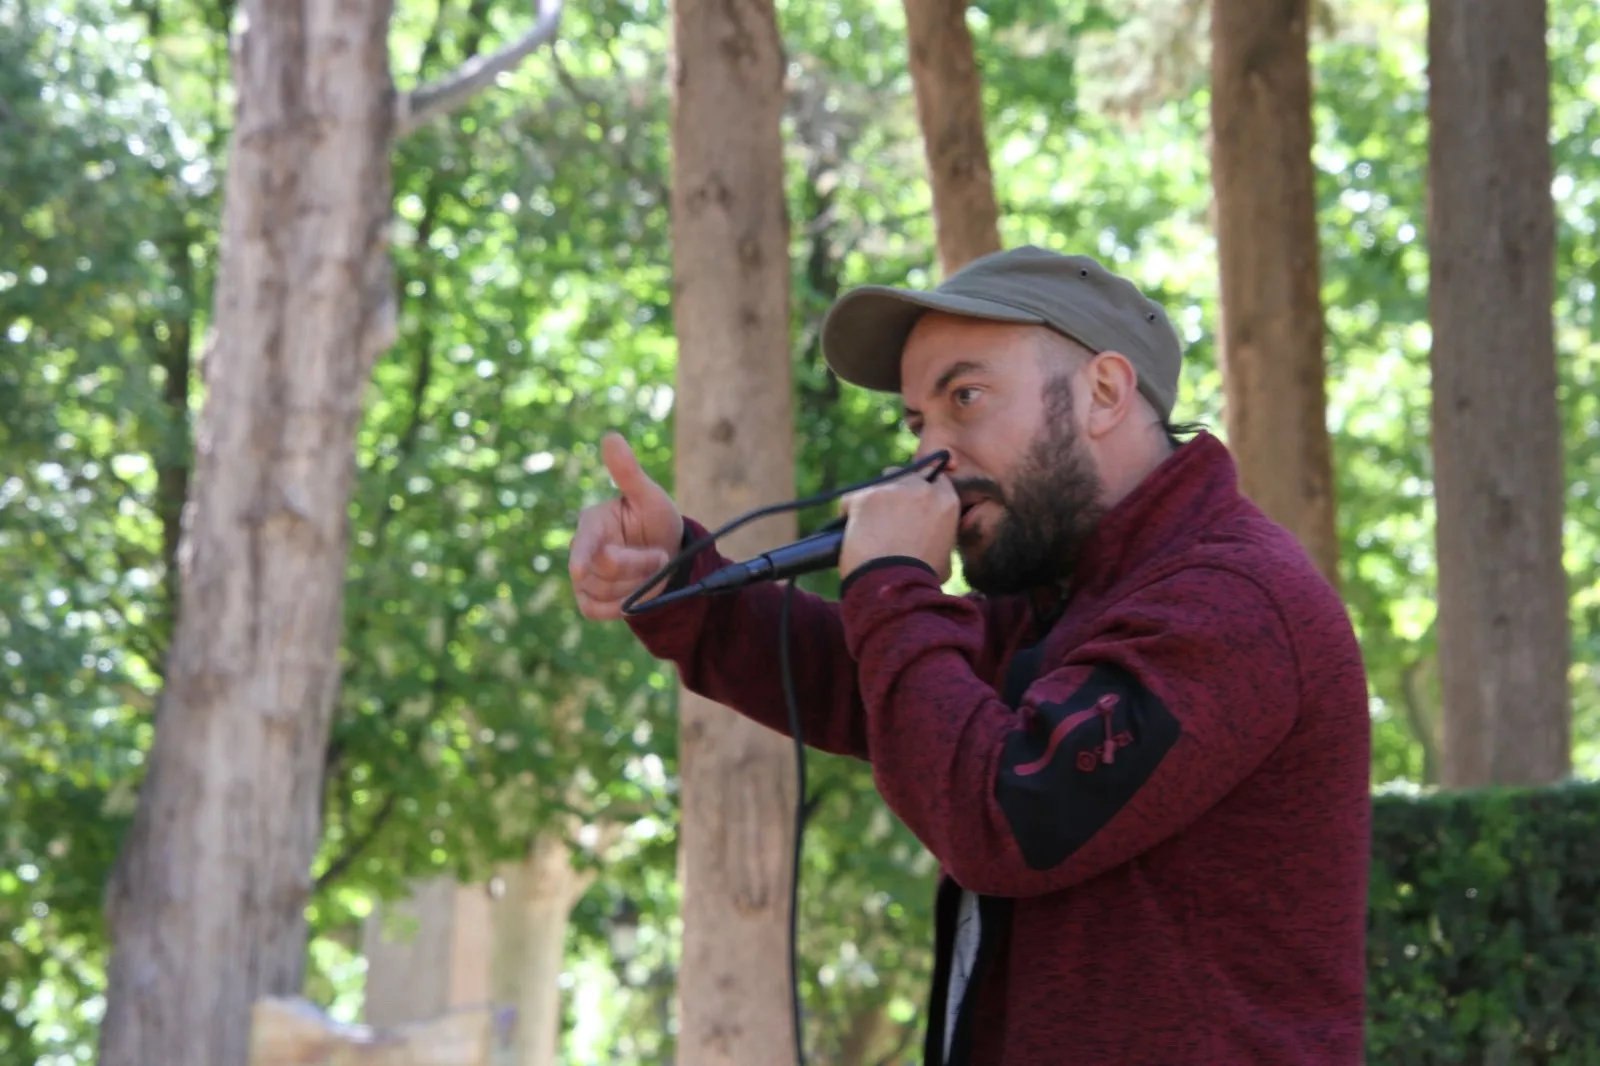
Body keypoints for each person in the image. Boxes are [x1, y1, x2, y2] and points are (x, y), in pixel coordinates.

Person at [569, 245, 1372, 1066]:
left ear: (1103, 393)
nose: (932, 458)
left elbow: (1007, 814)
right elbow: (877, 683)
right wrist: (679, 569)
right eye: (919, 422)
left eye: (966, 397)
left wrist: (889, 581)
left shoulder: (1233, 597)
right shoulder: (1066, 600)